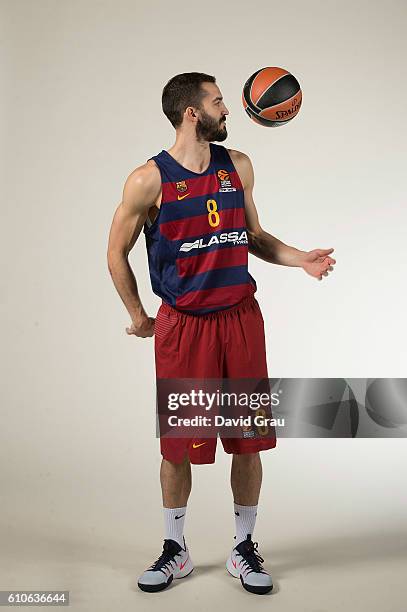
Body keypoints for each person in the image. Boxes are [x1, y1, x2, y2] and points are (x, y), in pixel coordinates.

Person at [107, 72, 336, 595]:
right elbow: (114, 251)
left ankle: (243, 547)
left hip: (240, 319)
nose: (227, 109)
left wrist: (300, 258)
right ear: (192, 112)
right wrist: (140, 315)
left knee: (248, 440)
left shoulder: (239, 167)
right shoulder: (148, 180)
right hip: (184, 327)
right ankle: (175, 549)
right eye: (217, 102)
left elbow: (252, 236)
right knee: (177, 448)